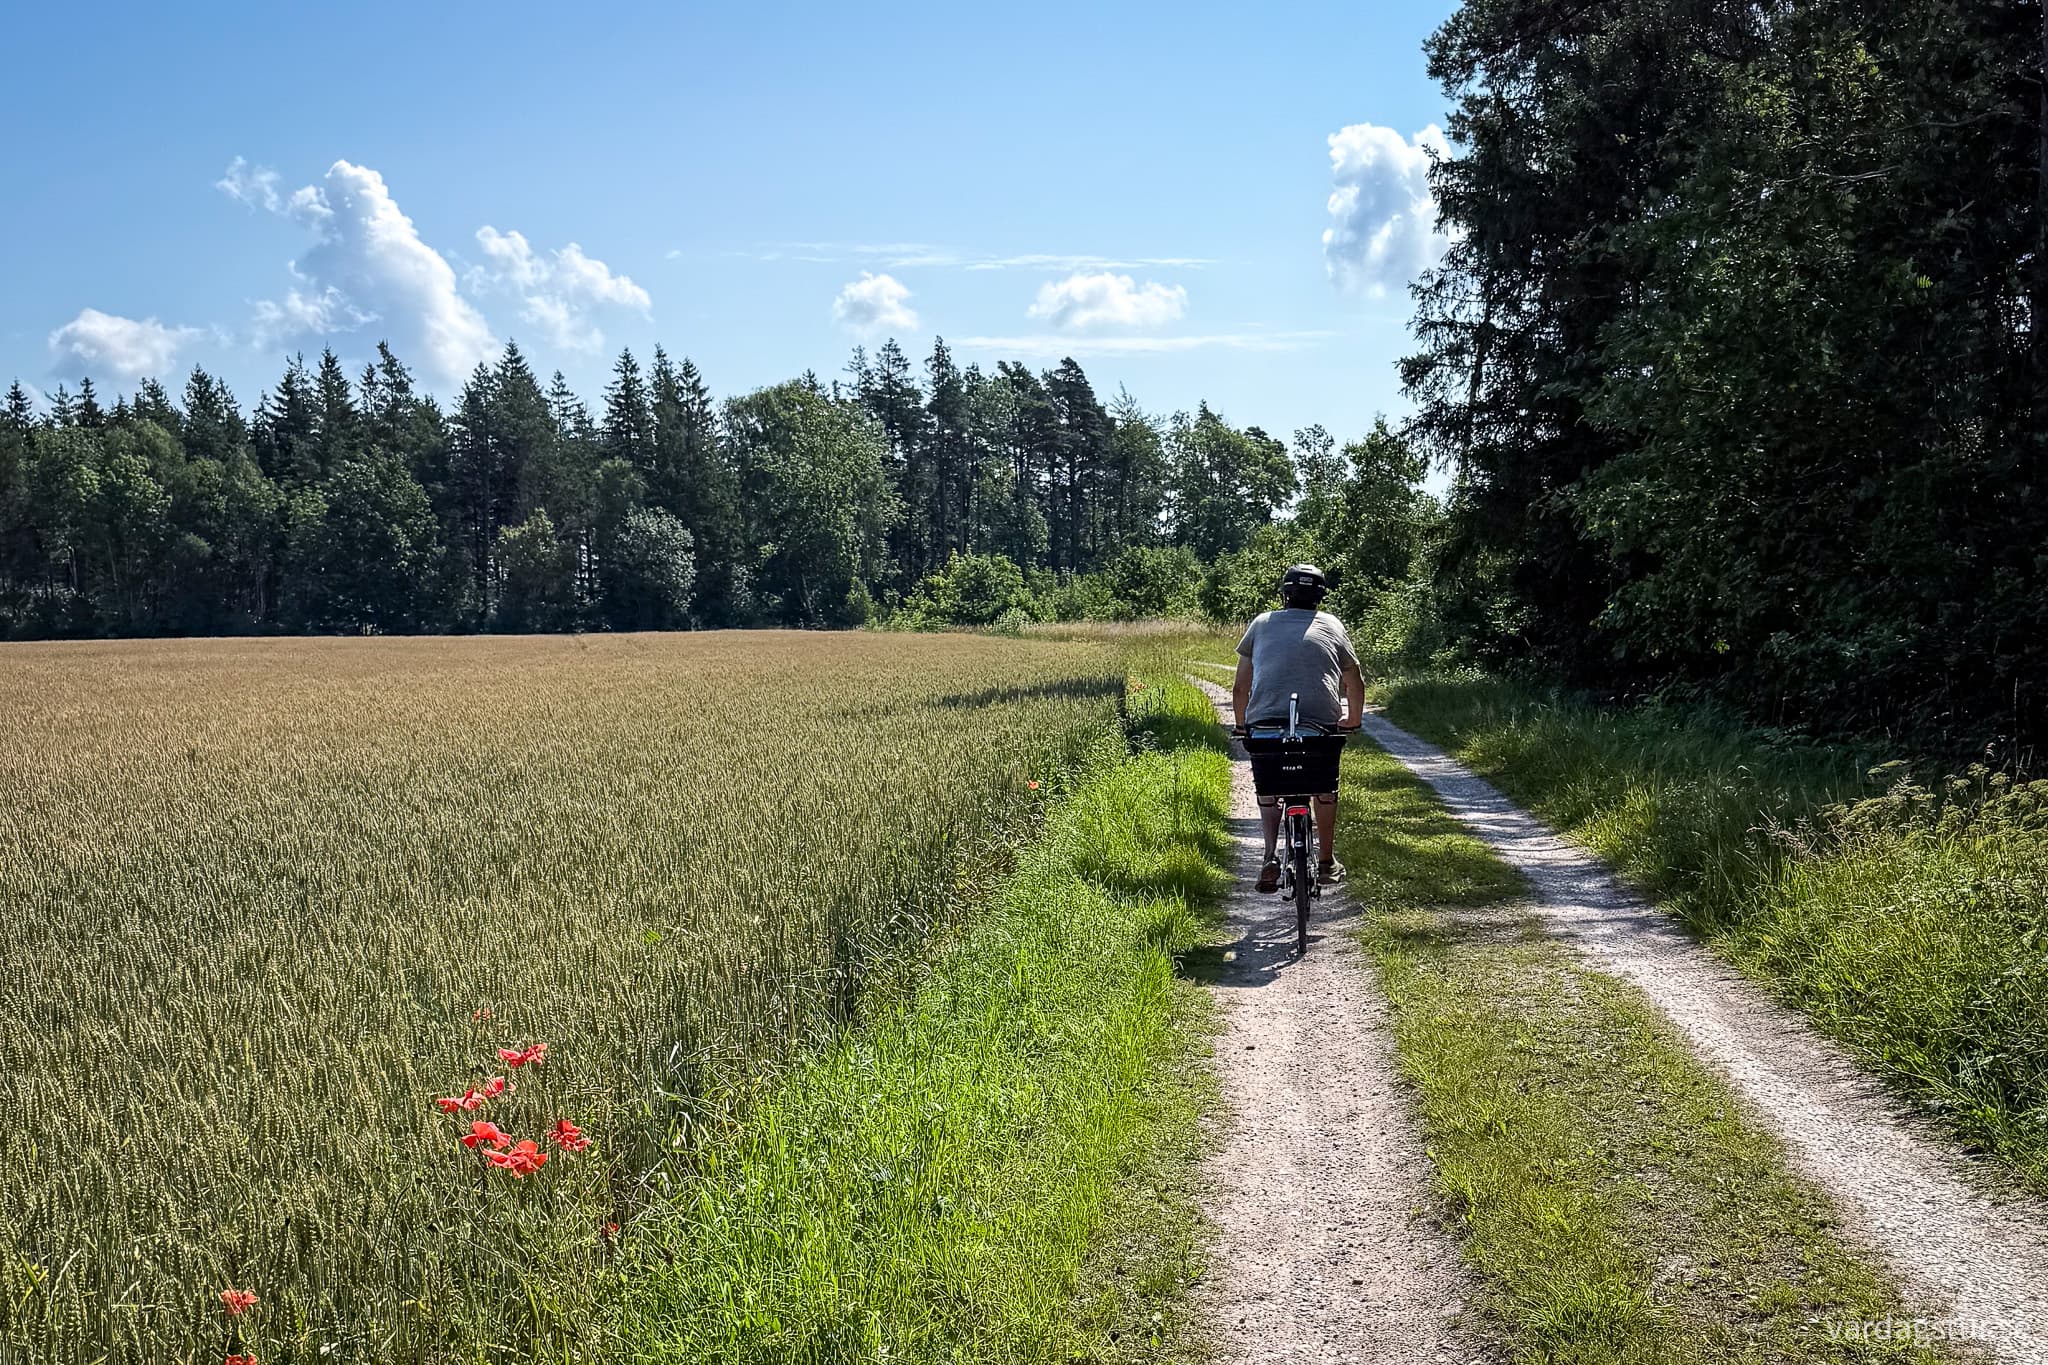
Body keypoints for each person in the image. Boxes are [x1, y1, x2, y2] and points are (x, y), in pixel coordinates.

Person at [1232, 563, 1364, 892]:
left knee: (1269, 790)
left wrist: (1241, 725)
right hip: (1319, 729)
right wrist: (1353, 720)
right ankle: (1326, 862)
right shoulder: (1332, 625)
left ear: (1284, 593)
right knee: (1324, 789)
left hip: (1266, 727)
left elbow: (1240, 688)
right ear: (1320, 597)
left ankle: (1268, 856)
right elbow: (1355, 682)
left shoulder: (1261, 623)